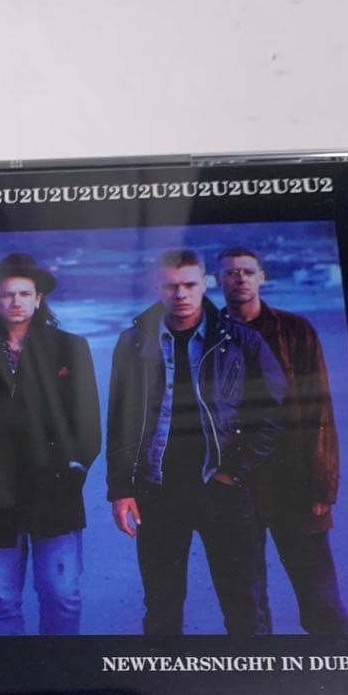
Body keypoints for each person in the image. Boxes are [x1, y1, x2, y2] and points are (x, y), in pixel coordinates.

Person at [106, 249, 287, 637]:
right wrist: (120, 490)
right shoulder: (133, 342)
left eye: (189, 284)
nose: (181, 294)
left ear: (204, 283)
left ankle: (251, 678)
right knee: (161, 609)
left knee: (243, 607)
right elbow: (119, 421)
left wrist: (234, 471)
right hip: (156, 491)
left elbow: (274, 413)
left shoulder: (241, 340)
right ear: (157, 288)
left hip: (222, 490)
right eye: (171, 286)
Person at [0, 253, 100, 635]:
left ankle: (59, 668)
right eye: (7, 294)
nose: (16, 301)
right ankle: (8, 669)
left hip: (55, 487)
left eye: (24, 293)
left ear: (38, 299)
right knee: (1, 598)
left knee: (62, 593)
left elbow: (87, 421)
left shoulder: (71, 349)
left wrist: (76, 467)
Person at [216, 247, 348, 635]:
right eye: (231, 273)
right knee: (247, 608)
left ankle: (343, 669)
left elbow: (319, 410)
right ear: (218, 280)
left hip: (295, 482)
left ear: (262, 277)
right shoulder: (208, 334)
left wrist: (323, 486)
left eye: (247, 271)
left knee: (321, 600)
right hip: (235, 484)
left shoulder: (295, 330)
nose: (240, 278)